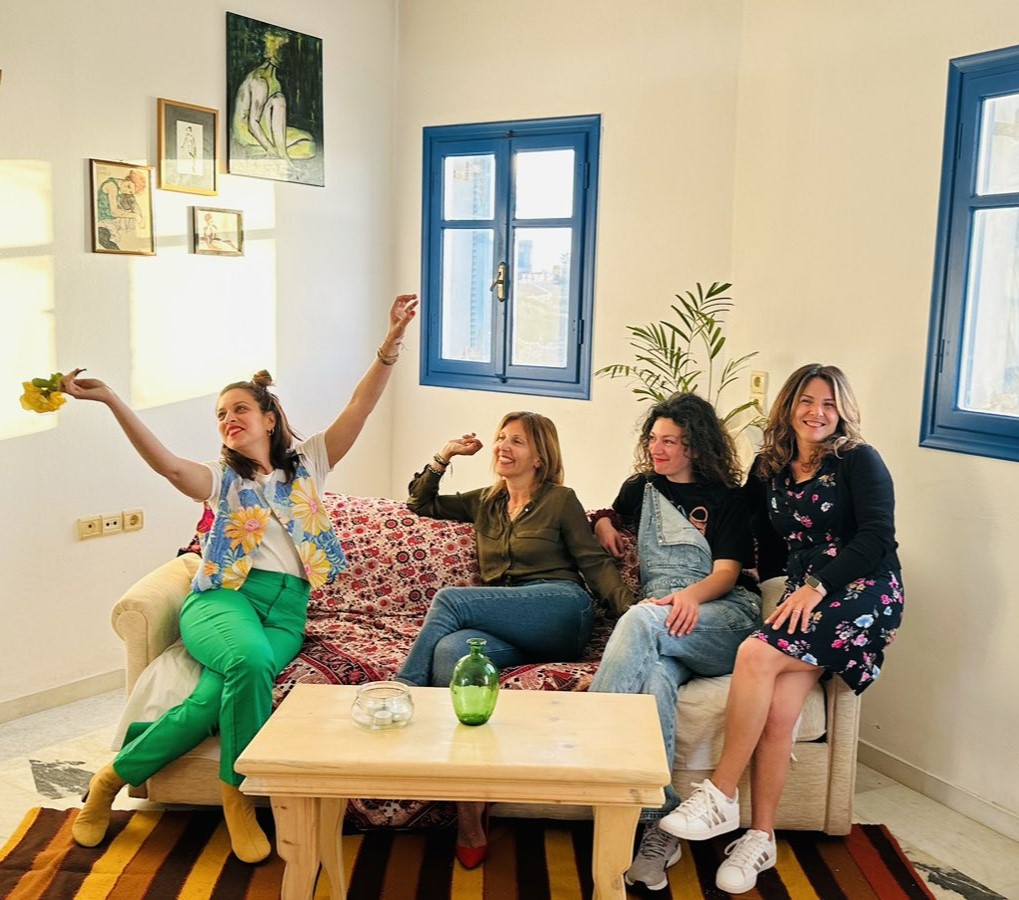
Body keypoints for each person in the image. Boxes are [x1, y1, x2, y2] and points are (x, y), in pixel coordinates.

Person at [61, 293, 418, 864]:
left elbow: (362, 403)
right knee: (249, 663)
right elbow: (165, 463)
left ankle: (110, 779)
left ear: (269, 419)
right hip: (224, 601)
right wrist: (110, 400)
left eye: (240, 409)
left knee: (211, 700)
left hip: (287, 613)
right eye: (221, 414)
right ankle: (239, 796)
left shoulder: (310, 464)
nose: (229, 419)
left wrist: (391, 341)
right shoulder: (219, 480)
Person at [659, 364, 904, 894]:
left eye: (829, 403)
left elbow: (877, 536)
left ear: (842, 411)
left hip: (861, 590)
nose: (818, 412)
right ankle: (761, 837)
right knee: (779, 714)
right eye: (807, 401)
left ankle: (721, 795)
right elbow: (745, 523)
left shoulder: (859, 460)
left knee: (754, 654)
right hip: (803, 596)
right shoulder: (769, 465)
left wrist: (817, 586)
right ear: (789, 406)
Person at [395, 411, 635, 868]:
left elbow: (593, 562)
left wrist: (634, 611)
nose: (503, 446)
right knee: (452, 652)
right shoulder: (485, 502)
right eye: (501, 438)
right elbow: (419, 504)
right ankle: (471, 811)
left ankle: (402, 691)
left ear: (540, 456)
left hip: (560, 610)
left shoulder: (560, 500)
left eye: (517, 441)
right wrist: (445, 455)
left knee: (450, 600)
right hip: (508, 624)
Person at [587, 392, 762, 892]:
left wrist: (689, 597)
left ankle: (584, 740)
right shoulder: (641, 488)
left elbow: (726, 573)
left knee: (642, 619)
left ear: (695, 446)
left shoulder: (727, 499)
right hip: (669, 626)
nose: (657, 448)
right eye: (653, 438)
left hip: (720, 616)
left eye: (670, 441)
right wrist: (602, 522)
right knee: (655, 681)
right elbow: (606, 513)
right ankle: (659, 828)